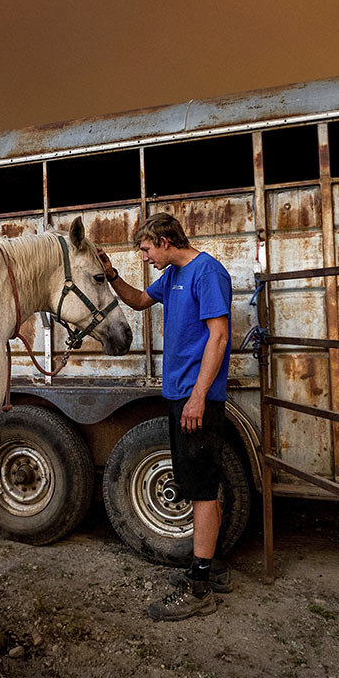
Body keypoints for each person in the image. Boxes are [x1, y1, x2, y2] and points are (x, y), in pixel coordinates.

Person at [99, 212, 232, 620]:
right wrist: (110, 274)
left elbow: (220, 335)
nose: (144, 255)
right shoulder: (172, 276)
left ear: (166, 240)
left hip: (197, 399)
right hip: (180, 394)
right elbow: (139, 301)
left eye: (145, 248)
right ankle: (209, 567)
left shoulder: (206, 271)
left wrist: (198, 396)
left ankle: (199, 589)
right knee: (197, 485)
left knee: (203, 490)